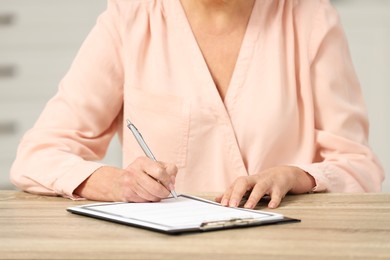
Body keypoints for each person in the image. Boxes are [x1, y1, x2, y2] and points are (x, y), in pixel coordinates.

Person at [10, 0, 384, 209]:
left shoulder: (310, 19)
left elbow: (359, 168)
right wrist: (116, 184)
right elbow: (37, 156)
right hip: (161, 251)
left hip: (286, 247)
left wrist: (296, 176)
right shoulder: (130, 18)